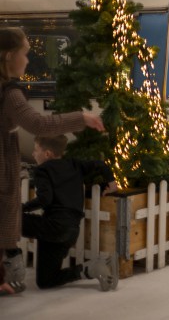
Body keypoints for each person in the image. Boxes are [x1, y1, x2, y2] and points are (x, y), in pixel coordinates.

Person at [0, 27, 105, 297]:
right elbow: (39, 124)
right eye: (25, 53)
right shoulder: (9, 93)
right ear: (9, 56)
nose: (28, 61)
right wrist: (81, 118)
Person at [21, 135, 119, 290]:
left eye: (35, 150)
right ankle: (90, 269)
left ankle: (11, 258)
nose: (33, 154)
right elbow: (100, 164)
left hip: (54, 227)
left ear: (47, 154)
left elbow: (45, 199)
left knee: (10, 218)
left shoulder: (43, 170)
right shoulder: (74, 165)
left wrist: (21, 208)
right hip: (70, 231)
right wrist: (112, 184)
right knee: (46, 280)